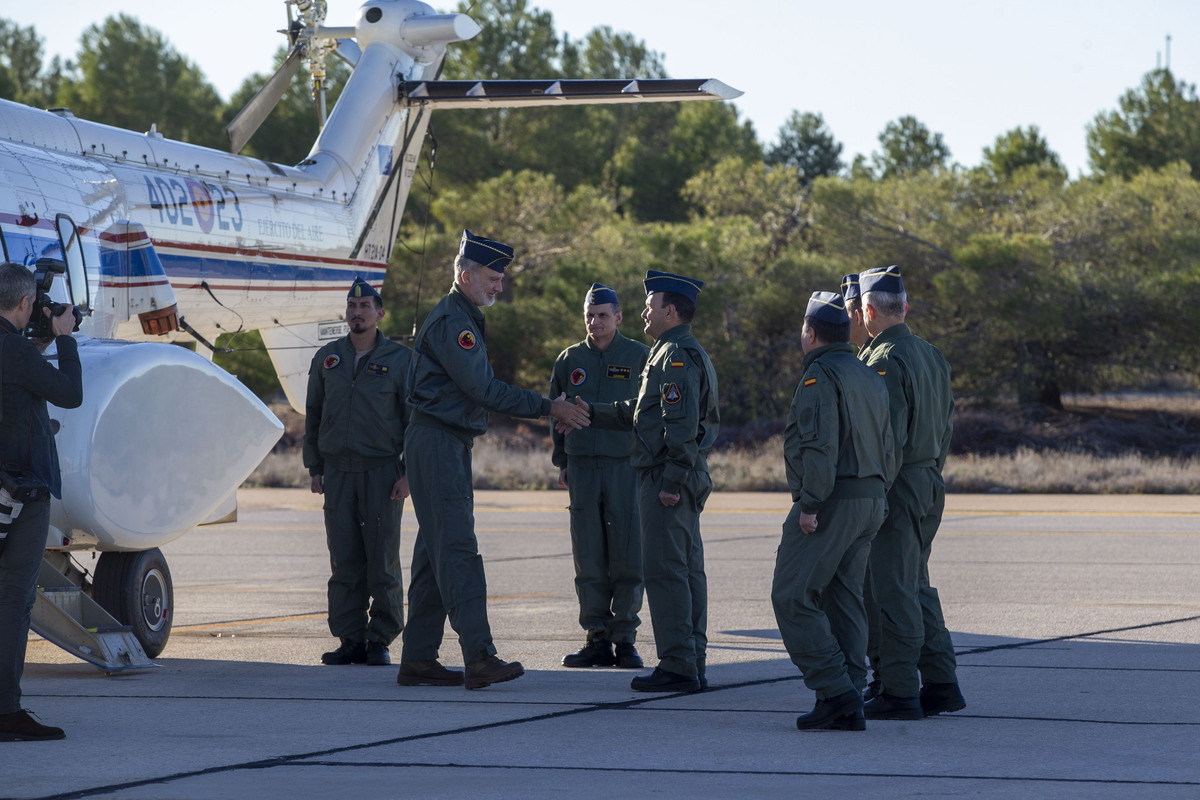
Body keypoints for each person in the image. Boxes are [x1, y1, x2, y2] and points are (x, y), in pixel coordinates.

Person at [397, 229, 591, 690]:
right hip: (438, 443)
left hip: (442, 442)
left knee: (434, 554)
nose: (499, 285)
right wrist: (551, 407)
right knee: (459, 550)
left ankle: (419, 658)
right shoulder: (454, 323)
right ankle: (480, 657)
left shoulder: (461, 315)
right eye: (492, 276)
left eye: (500, 278)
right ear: (465, 276)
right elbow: (483, 389)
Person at [575, 270, 719, 693]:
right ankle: (691, 659)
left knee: (667, 572)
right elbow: (642, 412)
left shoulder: (675, 356)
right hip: (674, 474)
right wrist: (588, 410)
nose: (643, 313)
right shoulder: (671, 351)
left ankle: (678, 664)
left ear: (670, 311)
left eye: (650, 306)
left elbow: (681, 426)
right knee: (686, 571)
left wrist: (671, 482)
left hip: (667, 477)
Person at [770, 291, 893, 731]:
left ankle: (836, 690)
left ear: (811, 332)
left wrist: (809, 504)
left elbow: (819, 447)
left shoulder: (819, 377)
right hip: (871, 499)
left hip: (832, 500)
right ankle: (850, 694)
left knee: (791, 595)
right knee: (844, 598)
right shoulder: (867, 374)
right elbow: (888, 444)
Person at [857, 265, 966, 720]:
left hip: (897, 485)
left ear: (867, 310)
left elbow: (888, 439)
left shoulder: (884, 358)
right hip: (928, 480)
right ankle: (940, 682)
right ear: (906, 307)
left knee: (893, 588)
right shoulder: (931, 353)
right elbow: (945, 426)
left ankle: (900, 689)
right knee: (915, 582)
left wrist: (877, 493)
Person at [304, 277, 412, 667]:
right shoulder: (327, 358)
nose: (357, 312)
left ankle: (380, 640)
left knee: (381, 559)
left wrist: (409, 474)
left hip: (382, 473)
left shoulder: (402, 361)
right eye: (352, 306)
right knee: (344, 560)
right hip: (338, 473)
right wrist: (314, 467)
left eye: (366, 306)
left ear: (380, 313)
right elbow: (314, 415)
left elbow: (415, 421)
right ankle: (350, 638)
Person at [0, 262, 82, 741]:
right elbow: (69, 394)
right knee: (14, 599)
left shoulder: (14, 351)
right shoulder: (14, 351)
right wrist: (66, 338)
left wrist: (39, 345)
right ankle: (7, 710)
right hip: (21, 490)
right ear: (26, 303)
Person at [550, 283, 649, 670]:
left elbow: (649, 412)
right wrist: (563, 461)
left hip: (625, 467)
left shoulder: (640, 356)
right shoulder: (569, 359)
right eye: (590, 315)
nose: (595, 322)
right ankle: (596, 638)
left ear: (619, 317)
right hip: (584, 467)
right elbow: (556, 413)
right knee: (588, 556)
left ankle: (624, 639)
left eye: (603, 315)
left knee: (628, 555)